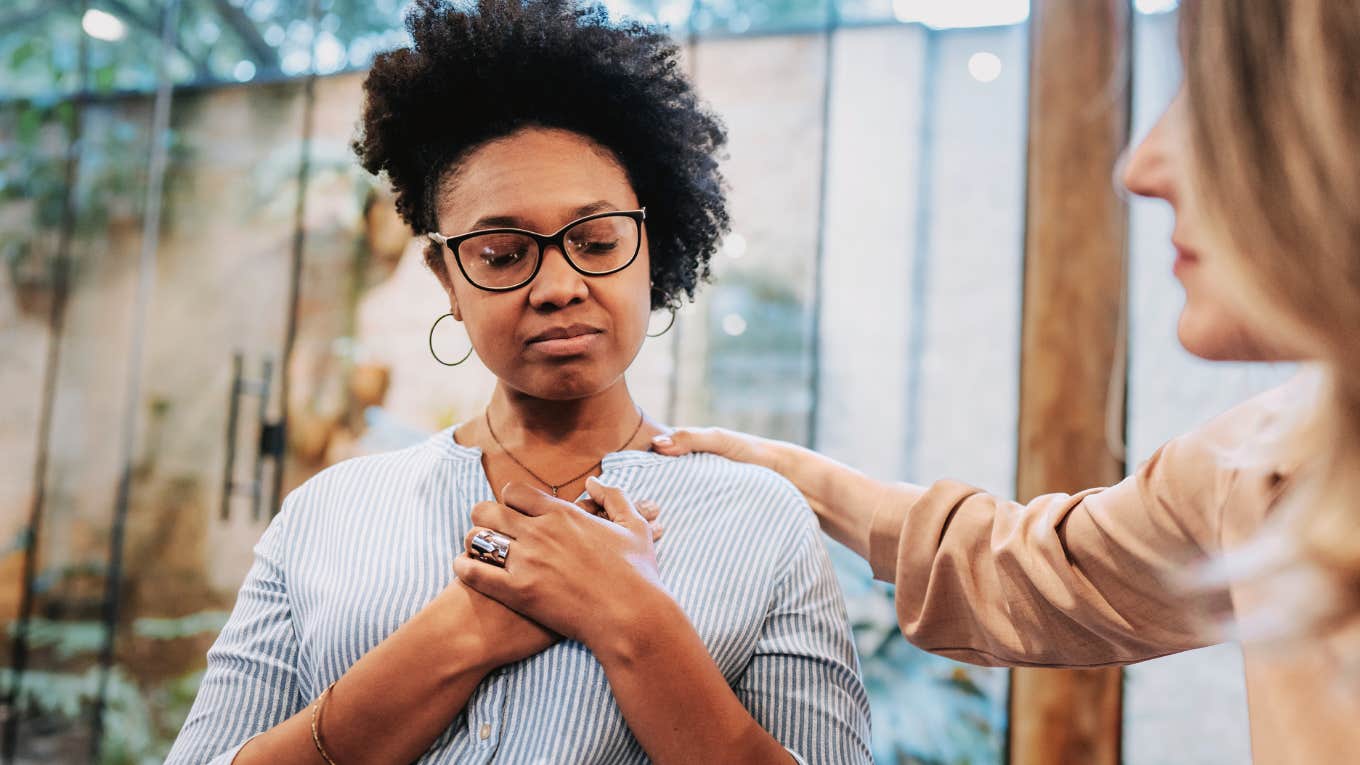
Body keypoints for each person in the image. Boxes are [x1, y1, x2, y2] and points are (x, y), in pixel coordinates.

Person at [654, 0, 1360, 761]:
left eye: (1221, 103)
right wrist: (789, 475)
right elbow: (1032, 571)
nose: (1139, 167)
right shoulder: (1260, 464)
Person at [165, 1, 870, 763]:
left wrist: (630, 618)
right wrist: (463, 630)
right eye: (503, 254)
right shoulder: (327, 514)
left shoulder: (760, 520)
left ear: (651, 248)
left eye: (596, 241)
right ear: (447, 276)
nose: (559, 284)